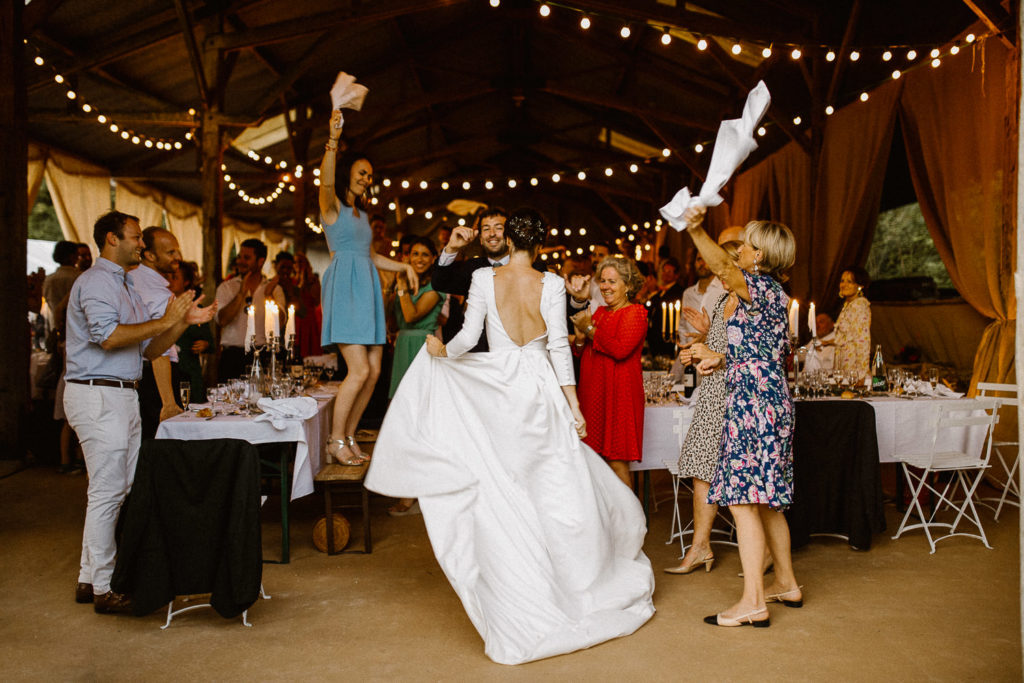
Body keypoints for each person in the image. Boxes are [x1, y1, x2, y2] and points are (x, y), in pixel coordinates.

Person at [365, 208, 655, 665]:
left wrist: (443, 350)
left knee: (507, 486)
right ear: (539, 244)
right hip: (541, 386)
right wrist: (574, 405)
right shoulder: (554, 283)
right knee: (554, 485)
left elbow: (467, 338)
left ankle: (521, 579)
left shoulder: (483, 279)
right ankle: (574, 578)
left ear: (511, 241)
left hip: (500, 387)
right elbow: (559, 346)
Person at [63, 210, 215, 614]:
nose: (141, 245)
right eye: (135, 238)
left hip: (122, 393)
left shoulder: (125, 285)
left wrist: (181, 322)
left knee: (118, 489)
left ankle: (86, 576)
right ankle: (102, 587)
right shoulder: (96, 282)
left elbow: (148, 349)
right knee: (109, 491)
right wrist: (163, 318)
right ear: (112, 239)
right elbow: (109, 338)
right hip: (97, 394)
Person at [680, 206, 801, 628]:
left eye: (747, 245)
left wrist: (695, 228)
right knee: (767, 502)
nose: (739, 251)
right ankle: (786, 582)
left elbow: (720, 266)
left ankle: (752, 602)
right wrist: (718, 356)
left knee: (743, 499)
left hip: (753, 404)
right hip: (766, 397)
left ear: (759, 257)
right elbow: (760, 354)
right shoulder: (771, 296)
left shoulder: (758, 288)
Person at [320, 109, 417, 465]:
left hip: (367, 289)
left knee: (374, 371)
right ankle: (334, 440)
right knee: (358, 370)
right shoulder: (331, 208)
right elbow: (326, 182)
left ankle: (348, 434)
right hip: (345, 288)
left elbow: (373, 255)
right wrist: (332, 141)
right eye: (362, 173)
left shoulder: (361, 214)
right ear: (348, 172)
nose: (367, 178)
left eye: (370, 175)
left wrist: (404, 264)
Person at [665, 241, 742, 575]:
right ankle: (700, 547)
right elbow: (715, 349)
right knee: (700, 469)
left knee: (746, 474)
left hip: (741, 395)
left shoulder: (754, 303)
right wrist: (698, 348)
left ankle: (768, 552)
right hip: (713, 393)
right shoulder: (722, 299)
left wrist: (712, 353)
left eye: (725, 267)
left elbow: (760, 357)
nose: (718, 274)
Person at [570, 257, 648, 489]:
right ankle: (608, 520)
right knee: (595, 460)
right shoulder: (600, 312)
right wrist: (581, 341)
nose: (605, 286)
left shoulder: (636, 313)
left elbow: (620, 349)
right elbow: (583, 350)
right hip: (594, 394)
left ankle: (631, 523)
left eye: (612, 281)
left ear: (628, 285)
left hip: (619, 395)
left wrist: (588, 329)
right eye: (602, 281)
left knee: (617, 461)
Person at [129, 227, 185, 439]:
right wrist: (168, 402)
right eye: (171, 252)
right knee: (161, 443)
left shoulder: (132, 278)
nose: (178, 257)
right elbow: (159, 348)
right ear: (150, 255)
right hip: (154, 378)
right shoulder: (156, 292)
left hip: (139, 373)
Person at [214, 238, 286, 382]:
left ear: (260, 261)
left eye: (246, 258)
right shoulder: (226, 287)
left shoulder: (274, 288)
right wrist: (241, 293)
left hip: (262, 353)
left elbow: (281, 323)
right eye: (240, 256)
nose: (240, 261)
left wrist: (268, 296)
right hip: (232, 356)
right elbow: (222, 320)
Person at [389, 237, 446, 398]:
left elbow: (410, 316)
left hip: (422, 344)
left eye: (425, 255)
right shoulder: (405, 284)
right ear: (407, 257)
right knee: (398, 400)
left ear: (433, 258)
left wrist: (401, 284)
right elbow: (391, 322)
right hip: (401, 343)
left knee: (419, 397)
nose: (419, 259)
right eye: (415, 254)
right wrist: (390, 288)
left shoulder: (436, 286)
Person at [169, 261, 213, 403]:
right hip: (166, 371)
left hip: (189, 370)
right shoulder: (158, 305)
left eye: (174, 277)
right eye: (167, 276)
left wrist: (204, 344)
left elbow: (210, 342)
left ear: (186, 282)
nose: (169, 281)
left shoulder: (195, 308)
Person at [831, 267, 872, 382]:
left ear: (860, 285)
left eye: (850, 281)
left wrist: (861, 374)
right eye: (842, 281)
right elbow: (846, 336)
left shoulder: (859, 306)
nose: (844, 285)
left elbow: (862, 340)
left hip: (854, 370)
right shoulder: (848, 305)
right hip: (844, 365)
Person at [679, 253, 725, 345]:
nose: (702, 263)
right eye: (699, 259)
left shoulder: (723, 291)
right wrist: (684, 348)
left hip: (713, 354)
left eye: (706, 258)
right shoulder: (688, 293)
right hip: (688, 354)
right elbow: (682, 326)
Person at [646, 257, 684, 356]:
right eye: (664, 271)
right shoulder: (659, 292)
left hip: (667, 337)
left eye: (669, 272)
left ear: (676, 275)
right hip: (655, 338)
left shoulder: (679, 292)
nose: (666, 274)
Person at [291, 252, 322, 358]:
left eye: (300, 261)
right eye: (295, 262)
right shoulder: (291, 281)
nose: (297, 264)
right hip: (295, 318)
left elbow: (317, 300)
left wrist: (307, 282)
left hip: (309, 319)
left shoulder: (313, 280)